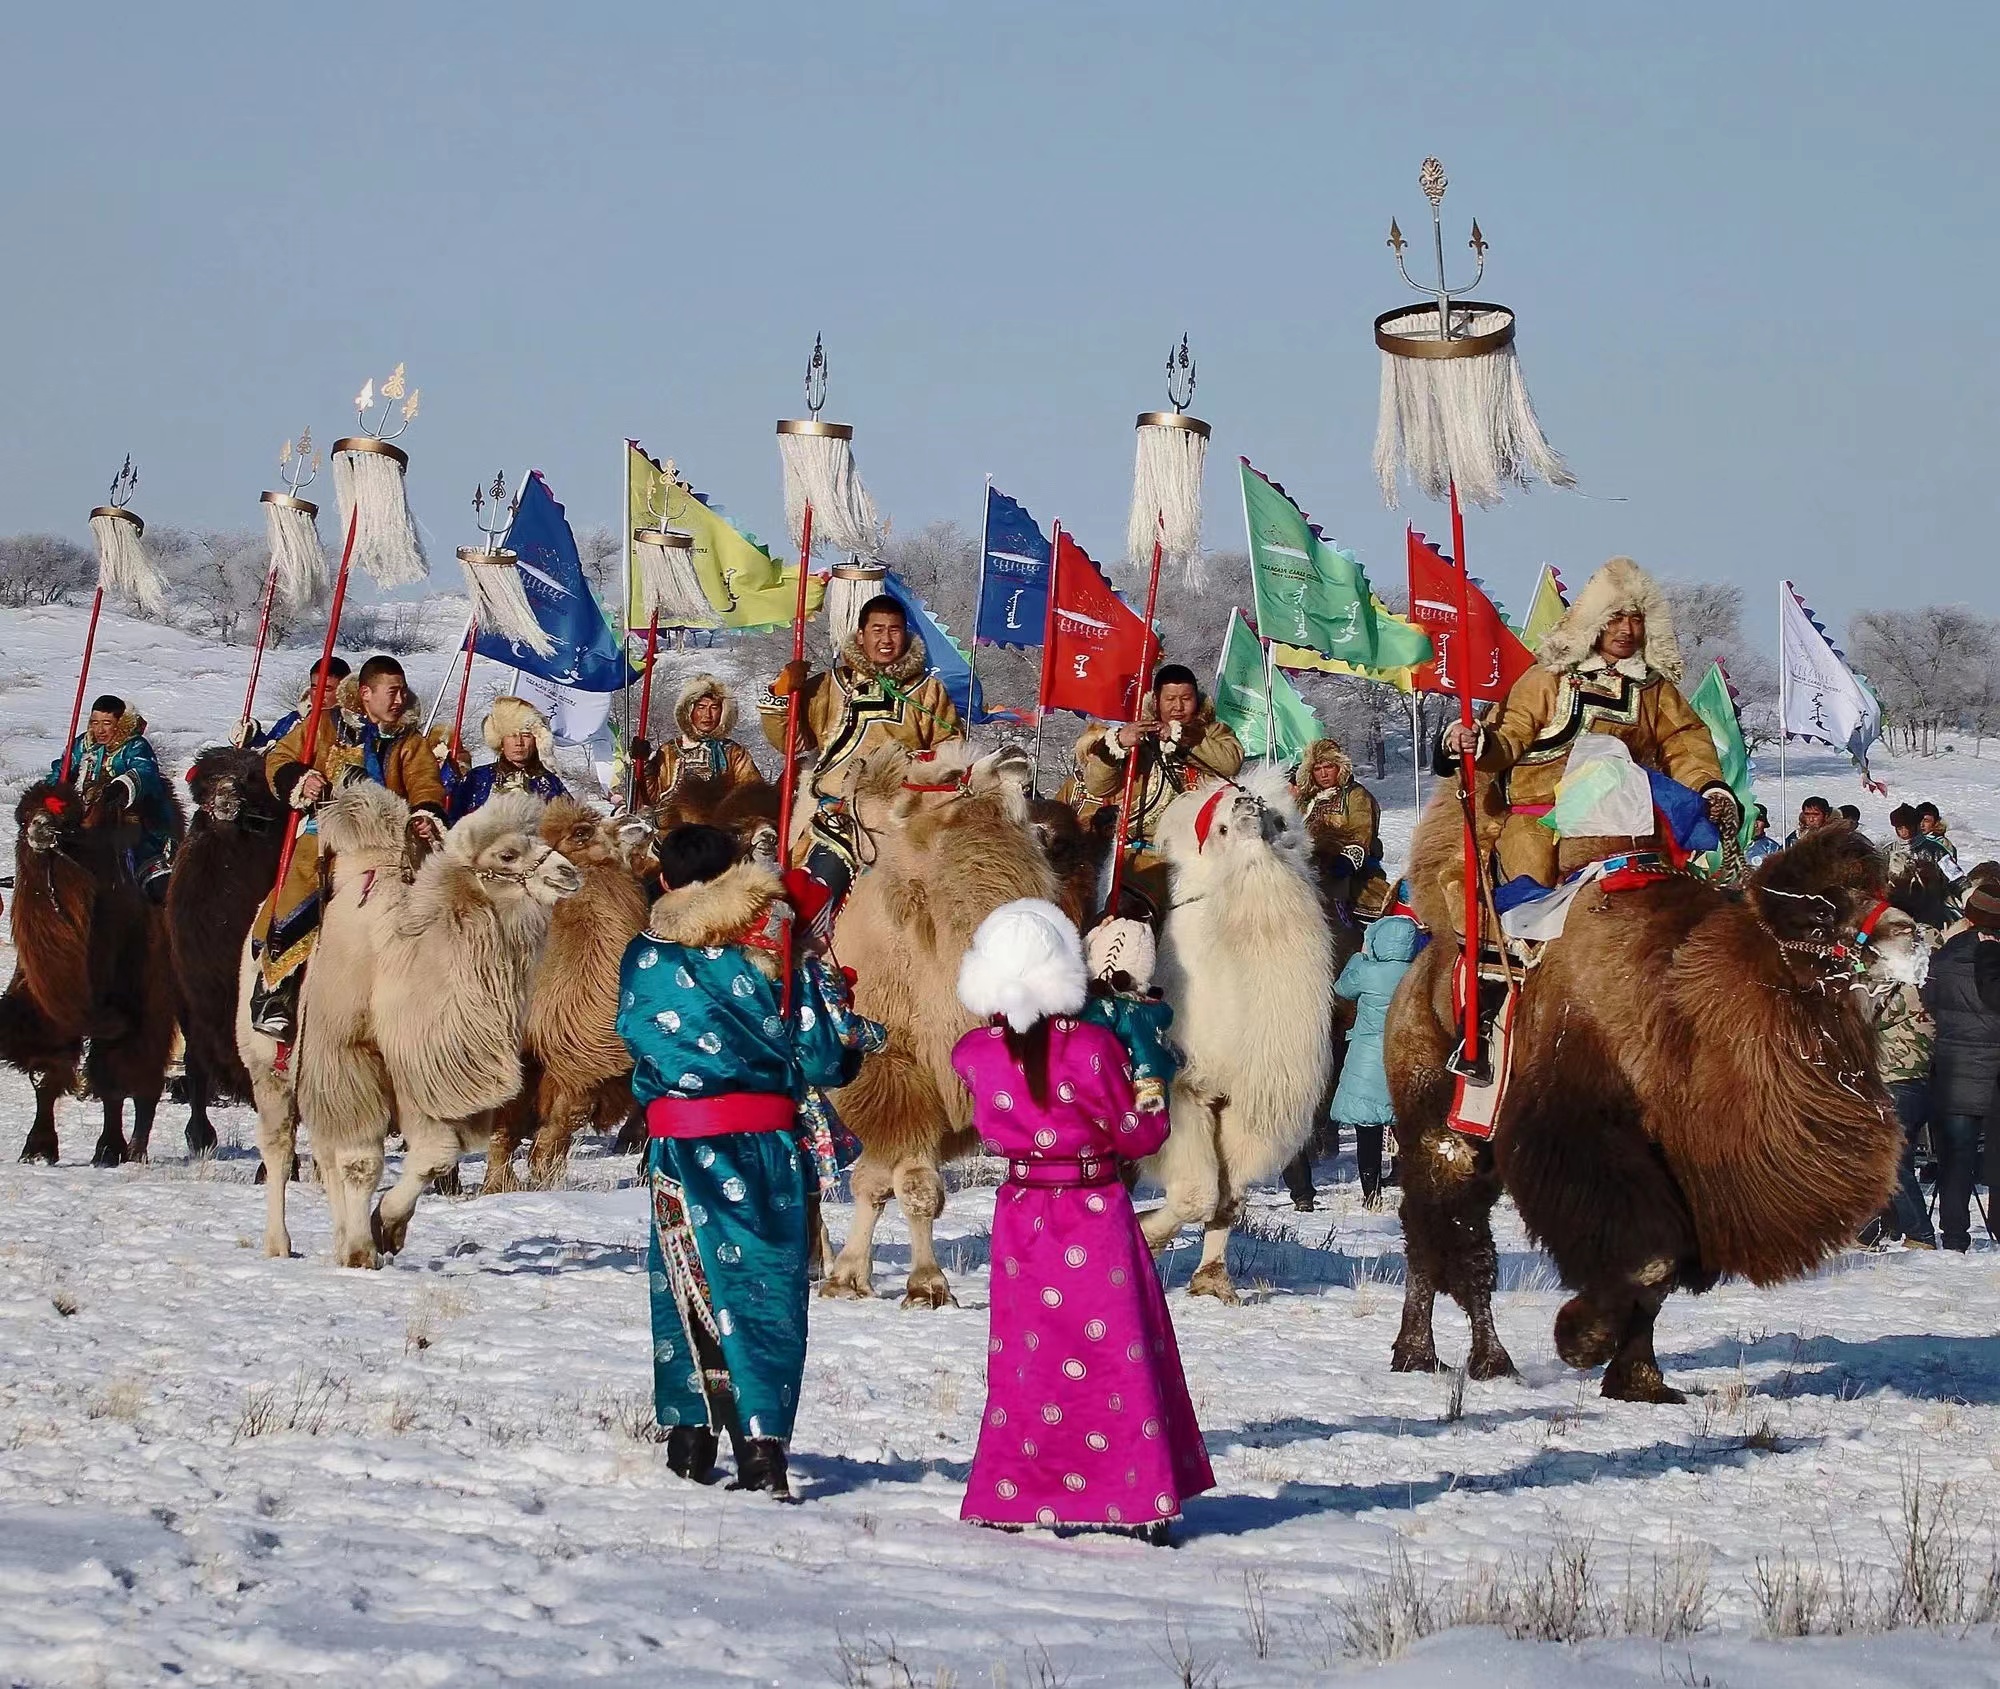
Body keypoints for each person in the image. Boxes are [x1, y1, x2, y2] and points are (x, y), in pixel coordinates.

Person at [616, 824, 870, 1496]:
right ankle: (763, 1448)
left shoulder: (642, 957)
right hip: (765, 1147)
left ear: (664, 882)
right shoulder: (775, 951)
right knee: (763, 1289)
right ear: (734, 873)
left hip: (679, 1145)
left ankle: (691, 1441)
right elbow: (824, 1055)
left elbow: (635, 1042)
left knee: (685, 1285)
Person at [952, 899, 1213, 1538]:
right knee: (1113, 1355)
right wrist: (1150, 1079)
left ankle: (1017, 1492)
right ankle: (1132, 1496)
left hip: (1021, 1217)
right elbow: (1137, 1133)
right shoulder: (1094, 1046)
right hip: (1092, 1211)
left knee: (1027, 1359)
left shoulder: (972, 1054)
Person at [1439, 557, 1735, 893]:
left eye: (1636, 619)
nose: (1626, 630)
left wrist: (1708, 786)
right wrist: (1478, 742)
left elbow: (1684, 741)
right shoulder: (1547, 678)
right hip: (1539, 817)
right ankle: (1523, 943)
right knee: (1530, 889)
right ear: (1594, 621)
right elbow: (1510, 736)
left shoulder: (1653, 688)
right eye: (1615, 618)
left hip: (1624, 820)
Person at [248, 655, 448, 1040]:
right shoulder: (325, 724)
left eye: (402, 691)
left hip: (388, 840)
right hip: (328, 834)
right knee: (298, 886)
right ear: (367, 693)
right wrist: (300, 778)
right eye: (392, 691)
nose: (398, 699)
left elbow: (426, 784)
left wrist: (425, 814)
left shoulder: (410, 740)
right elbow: (281, 757)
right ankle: (276, 992)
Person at [761, 594, 962, 912]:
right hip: (840, 815)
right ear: (861, 635)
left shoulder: (927, 690)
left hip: (904, 813)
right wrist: (783, 695)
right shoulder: (830, 686)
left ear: (905, 634)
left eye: (894, 630)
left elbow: (950, 750)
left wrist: (922, 766)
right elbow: (790, 743)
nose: (886, 639)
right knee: (813, 893)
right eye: (877, 629)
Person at [1072, 664, 1244, 914]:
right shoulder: (1135, 735)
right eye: (1170, 699)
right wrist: (1118, 744)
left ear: (1197, 699)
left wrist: (1180, 737)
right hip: (1141, 854)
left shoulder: (1214, 732)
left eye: (1186, 699)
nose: (1178, 707)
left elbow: (1229, 762)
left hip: (1199, 854)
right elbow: (1097, 785)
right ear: (1156, 700)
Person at [1919, 882, 2000, 1251]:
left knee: (1956, 1157)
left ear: (1969, 916)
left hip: (1952, 1069)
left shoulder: (1945, 957)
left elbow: (1930, 1001)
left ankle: (1954, 1234)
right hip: (1993, 1069)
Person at [1325, 914, 1423, 1210]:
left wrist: (1360, 955)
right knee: (1405, 1126)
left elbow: (1341, 989)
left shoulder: (1368, 972)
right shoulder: (1418, 973)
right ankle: (1406, 1178)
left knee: (1367, 1130)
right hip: (1406, 1054)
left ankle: (1371, 1192)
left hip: (1368, 1057)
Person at [50, 693, 178, 901]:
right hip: (82, 817)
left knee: (155, 881)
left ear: (119, 723)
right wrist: (51, 794)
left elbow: (145, 771)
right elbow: (61, 770)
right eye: (94, 722)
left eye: (106, 723)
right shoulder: (82, 744)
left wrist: (122, 786)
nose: (99, 729)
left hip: (128, 818)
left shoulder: (134, 745)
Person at [1864, 971, 1939, 1249]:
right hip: (1909, 1081)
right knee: (1889, 1159)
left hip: (1896, 1080)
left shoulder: (1907, 989)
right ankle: (1870, 1230)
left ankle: (1920, 1234)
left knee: (1890, 1162)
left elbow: (1870, 1013)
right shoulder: (1927, 986)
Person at [1077, 916, 1179, 1116]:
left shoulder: (1083, 1005)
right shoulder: (1136, 1013)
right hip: (1113, 1107)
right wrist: (1151, 1108)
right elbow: (1147, 1057)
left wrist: (1091, 938)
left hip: (1084, 1099)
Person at [633, 674, 765, 812]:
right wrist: (644, 764)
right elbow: (651, 797)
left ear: (723, 712)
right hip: (673, 826)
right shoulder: (669, 750)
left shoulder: (734, 752)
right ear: (689, 711)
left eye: (714, 708)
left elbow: (752, 793)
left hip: (718, 827)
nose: (707, 715)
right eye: (701, 707)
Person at [1295, 737, 1388, 920]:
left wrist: (1345, 859)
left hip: (1355, 878)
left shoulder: (1355, 795)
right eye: (1317, 769)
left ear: (1340, 767)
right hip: (1309, 875)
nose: (1323, 774)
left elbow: (1362, 832)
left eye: (1328, 766)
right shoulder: (1304, 802)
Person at [448, 695, 569, 821]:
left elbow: (570, 826)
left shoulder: (549, 782)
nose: (519, 742)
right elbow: (453, 820)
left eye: (526, 735)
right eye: (512, 736)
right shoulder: (478, 778)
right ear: (501, 741)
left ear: (536, 741)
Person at [247, 657, 351, 750]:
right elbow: (267, 747)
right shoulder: (292, 720)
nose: (319, 695)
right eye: (315, 687)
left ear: (343, 690)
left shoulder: (352, 727)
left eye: (327, 689)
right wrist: (251, 736)